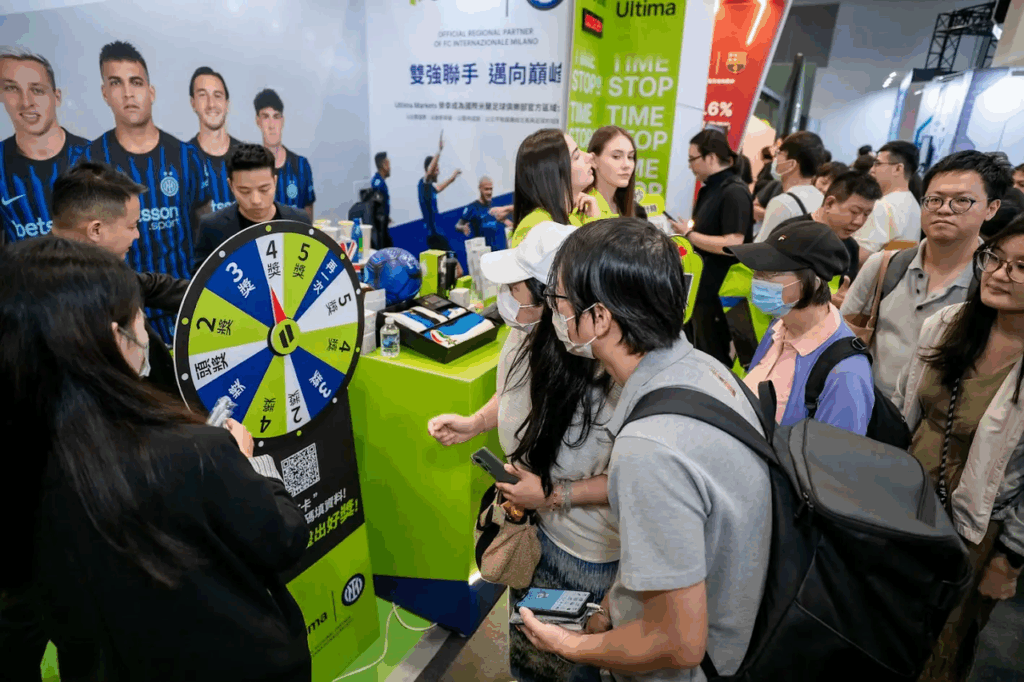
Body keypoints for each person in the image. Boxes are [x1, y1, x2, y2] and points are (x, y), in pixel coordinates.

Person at [0, 237, 311, 681]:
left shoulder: (21, 454)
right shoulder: (194, 452)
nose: (147, 332)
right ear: (117, 337)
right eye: (141, 318)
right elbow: (283, 540)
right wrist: (248, 464)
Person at [516, 218, 771, 681]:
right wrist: (613, 605)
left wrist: (568, 645)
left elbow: (678, 643)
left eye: (559, 300)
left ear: (599, 318)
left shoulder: (649, 449)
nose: (554, 313)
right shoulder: (707, 370)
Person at [892, 218, 1024, 682]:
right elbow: (904, 404)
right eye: (995, 259)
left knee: (938, 649)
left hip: (973, 532)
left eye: (1021, 266)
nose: (1000, 273)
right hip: (903, 505)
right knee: (884, 628)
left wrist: (1010, 558)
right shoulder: (948, 325)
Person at [841, 150, 1009, 401]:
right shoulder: (884, 265)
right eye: (935, 199)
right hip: (866, 406)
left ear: (991, 208)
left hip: (936, 418)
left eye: (962, 201)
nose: (944, 210)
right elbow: (842, 336)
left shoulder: (994, 282)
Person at [81, 40, 212, 344]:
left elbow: (206, 232)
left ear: (151, 92)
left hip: (185, 307)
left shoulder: (187, 157)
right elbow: (83, 245)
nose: (128, 93)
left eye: (136, 82)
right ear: (105, 93)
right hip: (121, 314)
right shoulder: (89, 162)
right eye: (116, 83)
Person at [48, 161, 186, 396]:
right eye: (132, 226)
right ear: (96, 230)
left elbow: (150, 285)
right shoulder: (62, 298)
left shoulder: (93, 267)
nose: (137, 235)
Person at [728, 220, 874, 434]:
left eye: (770, 273)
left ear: (814, 283)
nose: (757, 281)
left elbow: (834, 453)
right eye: (757, 271)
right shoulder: (779, 326)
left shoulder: (846, 375)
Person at [670, 128, 753, 367]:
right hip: (703, 290)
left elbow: (734, 243)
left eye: (692, 159)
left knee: (714, 357)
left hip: (721, 292)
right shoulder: (711, 189)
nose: (690, 166)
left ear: (711, 157)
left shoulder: (734, 191)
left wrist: (690, 235)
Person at [0, 48, 89, 246]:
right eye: (12, 89)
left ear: (56, 97)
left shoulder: (97, 157)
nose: (26, 102)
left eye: (37, 90)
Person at [194, 143, 311, 272]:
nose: (256, 200)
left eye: (264, 189)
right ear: (231, 185)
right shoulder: (212, 227)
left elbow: (310, 271)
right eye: (245, 191)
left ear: (275, 181)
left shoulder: (299, 221)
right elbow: (202, 282)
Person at [508, 128, 599, 249]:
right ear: (554, 174)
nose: (588, 156)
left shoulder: (573, 219)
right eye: (577, 156)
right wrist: (595, 227)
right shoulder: (536, 225)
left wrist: (594, 224)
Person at [854, 141, 923, 263]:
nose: (872, 170)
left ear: (898, 168)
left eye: (878, 164)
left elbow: (859, 257)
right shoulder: (914, 204)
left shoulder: (883, 206)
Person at [254, 88, 314, 219]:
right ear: (258, 121)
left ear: (282, 120)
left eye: (276, 117)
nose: (271, 125)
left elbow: (308, 217)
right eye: (265, 117)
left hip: (295, 232)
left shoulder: (301, 165)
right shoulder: (251, 168)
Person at [189, 66, 242, 213]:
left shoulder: (248, 157)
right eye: (202, 95)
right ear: (193, 103)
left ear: (227, 104)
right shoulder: (182, 160)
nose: (211, 104)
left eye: (217, 95)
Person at [756, 131, 825, 242]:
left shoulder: (783, 203)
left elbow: (762, 247)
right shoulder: (821, 199)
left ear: (791, 164)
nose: (775, 159)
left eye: (779, 154)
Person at [586, 125, 645, 218]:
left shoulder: (636, 211)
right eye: (616, 156)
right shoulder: (582, 206)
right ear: (593, 160)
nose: (627, 165)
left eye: (630, 157)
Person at [419, 132, 461, 252]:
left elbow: (440, 187)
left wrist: (452, 177)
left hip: (437, 234)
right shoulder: (423, 184)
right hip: (434, 235)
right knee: (453, 263)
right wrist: (439, 150)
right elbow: (429, 172)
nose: (438, 171)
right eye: (436, 168)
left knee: (450, 262)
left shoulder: (430, 188)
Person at [455, 176, 510, 251]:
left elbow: (504, 221)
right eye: (486, 189)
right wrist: (462, 228)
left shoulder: (496, 206)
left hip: (502, 251)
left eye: (491, 189)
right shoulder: (472, 207)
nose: (489, 192)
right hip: (485, 253)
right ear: (480, 188)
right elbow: (458, 225)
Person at [370, 151, 393, 249]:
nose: (390, 168)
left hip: (382, 225)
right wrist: (383, 218)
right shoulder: (378, 184)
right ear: (384, 165)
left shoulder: (379, 181)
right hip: (380, 229)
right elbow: (376, 207)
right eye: (388, 164)